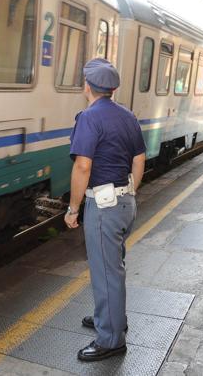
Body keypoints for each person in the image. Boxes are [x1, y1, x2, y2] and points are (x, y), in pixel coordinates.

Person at [64, 58, 146, 361]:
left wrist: (73, 209)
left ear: (87, 86)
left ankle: (111, 339)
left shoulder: (89, 117)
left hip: (103, 205)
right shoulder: (128, 116)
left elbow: (83, 166)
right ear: (112, 89)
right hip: (125, 203)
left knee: (106, 271)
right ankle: (110, 318)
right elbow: (139, 159)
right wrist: (131, 191)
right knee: (114, 266)